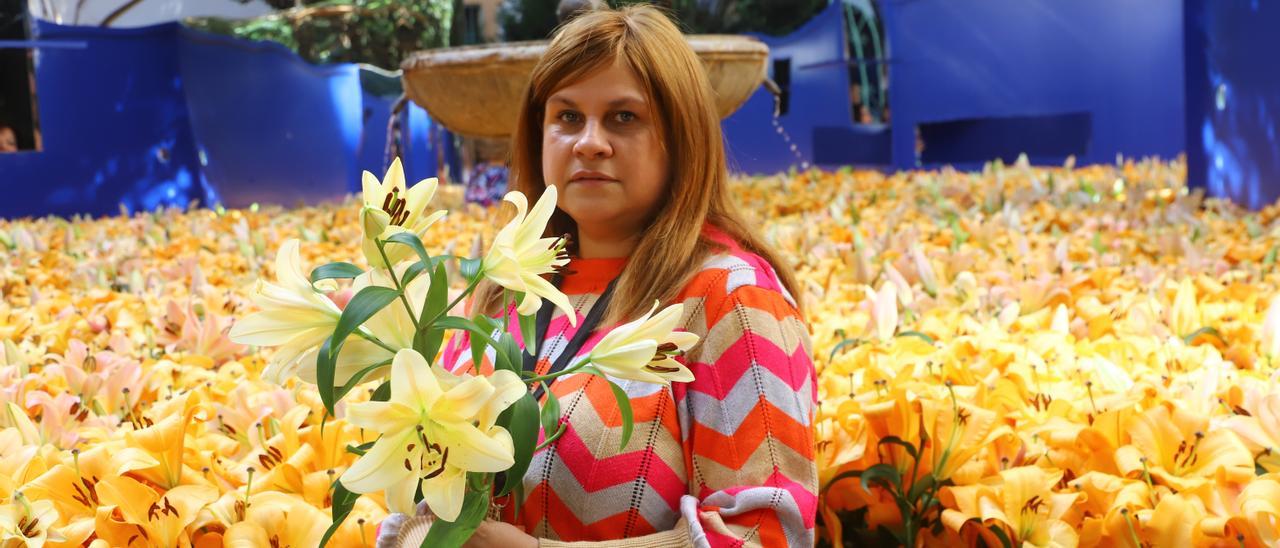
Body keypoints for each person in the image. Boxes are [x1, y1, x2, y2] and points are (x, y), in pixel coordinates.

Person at [380, 5, 817, 547]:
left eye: (623, 117)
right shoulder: (504, 290)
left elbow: (769, 533)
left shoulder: (730, 298)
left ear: (682, 138)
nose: (589, 142)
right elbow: (427, 491)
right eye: (566, 116)